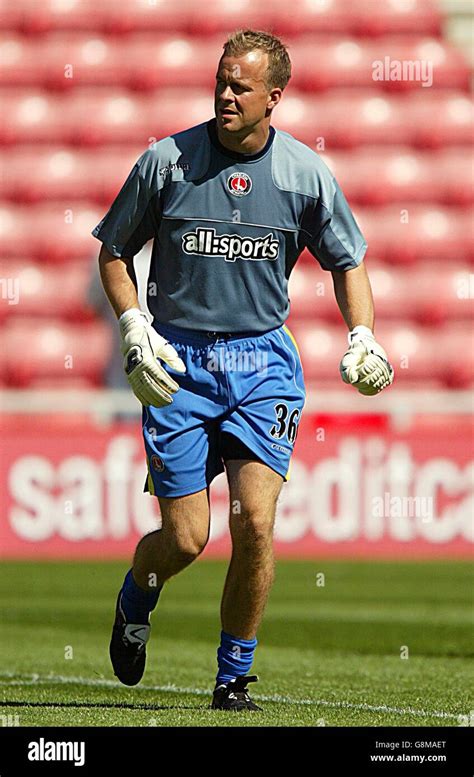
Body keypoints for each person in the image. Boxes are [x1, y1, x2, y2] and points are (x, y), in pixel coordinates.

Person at [92, 29, 393, 712]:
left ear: (274, 98)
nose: (226, 94)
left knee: (254, 520)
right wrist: (134, 326)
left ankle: (233, 675)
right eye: (221, 81)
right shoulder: (167, 161)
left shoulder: (304, 174)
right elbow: (114, 251)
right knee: (187, 537)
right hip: (180, 360)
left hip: (263, 363)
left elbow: (346, 261)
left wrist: (363, 334)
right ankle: (138, 590)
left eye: (241, 86)